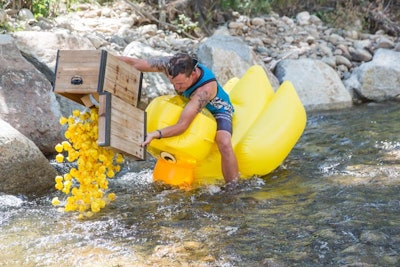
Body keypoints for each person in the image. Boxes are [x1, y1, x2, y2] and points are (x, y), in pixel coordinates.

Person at [119, 53, 239, 184]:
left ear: (193, 74)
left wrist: (155, 134)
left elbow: (182, 125)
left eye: (180, 84)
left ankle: (233, 188)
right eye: (173, 83)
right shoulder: (168, 64)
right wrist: (101, 58)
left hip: (217, 110)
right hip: (189, 102)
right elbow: (134, 63)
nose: (177, 88)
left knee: (224, 142)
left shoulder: (205, 90)